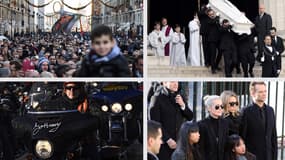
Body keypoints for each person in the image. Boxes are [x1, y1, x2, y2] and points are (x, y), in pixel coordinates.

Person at [150, 81, 193, 160]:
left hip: (179, 143)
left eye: (177, 81)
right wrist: (167, 139)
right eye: (172, 81)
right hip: (164, 144)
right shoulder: (157, 98)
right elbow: (155, 123)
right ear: (164, 83)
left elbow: (190, 116)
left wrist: (183, 105)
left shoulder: (180, 97)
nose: (176, 84)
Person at [240, 82, 277, 160]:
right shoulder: (246, 111)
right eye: (260, 92)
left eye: (265, 91)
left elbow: (273, 136)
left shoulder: (270, 110)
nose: (264, 94)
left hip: (269, 156)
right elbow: (242, 136)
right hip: (253, 156)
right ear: (252, 93)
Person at [198, 95, 229, 160]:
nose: (220, 109)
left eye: (222, 106)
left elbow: (226, 145)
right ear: (209, 108)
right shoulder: (201, 124)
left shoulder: (225, 123)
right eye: (217, 107)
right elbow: (200, 148)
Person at [205, 9, 221, 74]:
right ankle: (213, 69)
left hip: (218, 39)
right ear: (208, 15)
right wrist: (217, 17)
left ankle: (216, 65)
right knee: (213, 55)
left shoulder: (216, 20)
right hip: (212, 40)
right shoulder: (208, 20)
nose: (212, 15)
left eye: (213, 14)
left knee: (220, 52)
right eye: (211, 14)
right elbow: (212, 22)